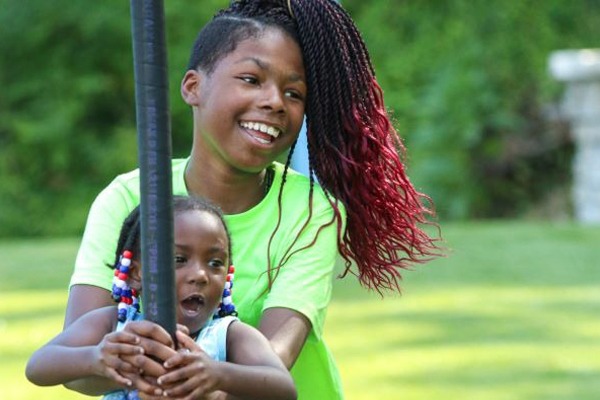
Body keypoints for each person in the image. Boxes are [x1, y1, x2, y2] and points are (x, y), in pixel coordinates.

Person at [64, 0, 441, 398]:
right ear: (193, 87)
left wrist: (197, 374)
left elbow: (272, 363)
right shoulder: (127, 199)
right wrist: (115, 358)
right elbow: (76, 364)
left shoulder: (311, 211)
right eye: (250, 79)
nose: (276, 102)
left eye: (294, 93)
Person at [27, 196, 297, 400]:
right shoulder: (115, 327)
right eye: (179, 259)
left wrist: (217, 374)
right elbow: (38, 366)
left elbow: (283, 387)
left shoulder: (228, 335)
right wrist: (97, 359)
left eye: (215, 263)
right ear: (136, 273)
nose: (201, 275)